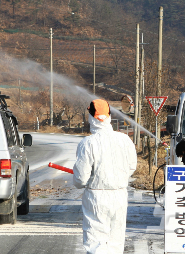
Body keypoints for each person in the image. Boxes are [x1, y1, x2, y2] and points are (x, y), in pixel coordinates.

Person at [73, 99, 137, 254]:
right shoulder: (124, 139)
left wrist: (82, 179)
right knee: (116, 240)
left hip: (96, 197)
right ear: (108, 116)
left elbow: (80, 179)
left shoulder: (88, 143)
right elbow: (131, 167)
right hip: (120, 195)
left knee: (96, 241)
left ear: (91, 117)